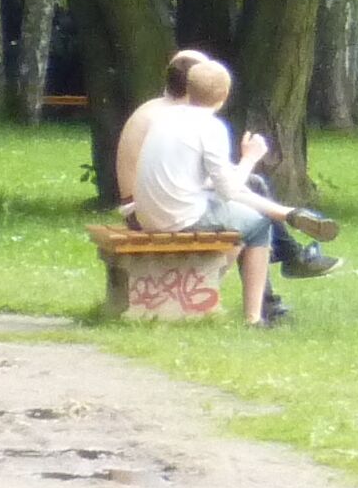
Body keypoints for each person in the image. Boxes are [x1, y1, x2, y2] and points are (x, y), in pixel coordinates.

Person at [117, 51, 338, 311]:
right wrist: (250, 157)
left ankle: (291, 221)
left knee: (250, 190)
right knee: (257, 223)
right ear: (223, 96)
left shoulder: (162, 115)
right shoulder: (207, 126)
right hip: (169, 213)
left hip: (148, 208)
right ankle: (259, 313)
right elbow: (228, 190)